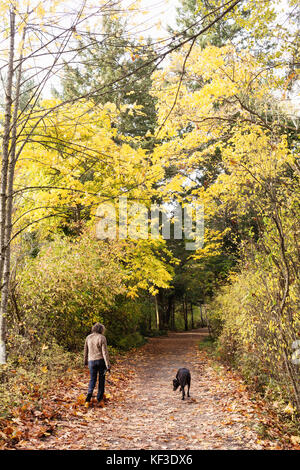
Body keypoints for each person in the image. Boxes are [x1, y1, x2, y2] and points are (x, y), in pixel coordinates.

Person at [84, 322, 110, 404]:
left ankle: (89, 394)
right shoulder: (102, 338)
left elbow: (85, 351)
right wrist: (108, 365)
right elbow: (104, 352)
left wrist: (85, 361)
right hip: (101, 361)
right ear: (101, 329)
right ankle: (99, 398)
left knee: (92, 379)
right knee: (101, 380)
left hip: (91, 361)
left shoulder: (88, 337)